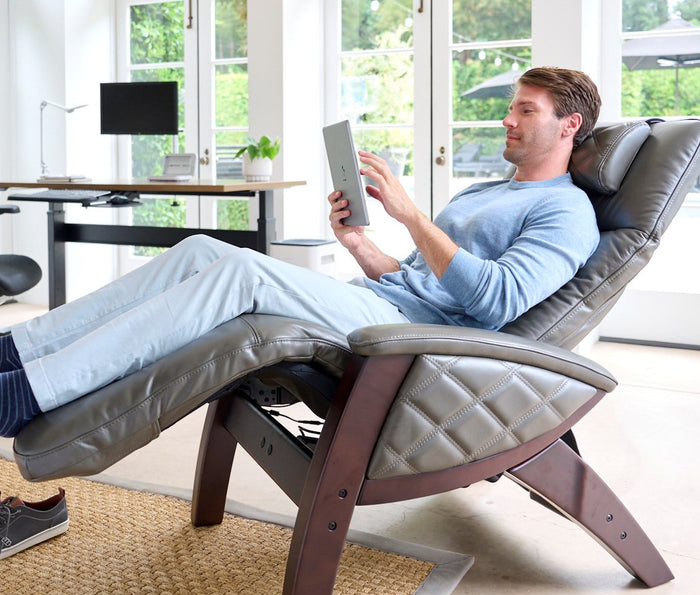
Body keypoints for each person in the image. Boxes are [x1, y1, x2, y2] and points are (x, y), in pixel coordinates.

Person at [0, 66, 602, 438]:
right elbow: (417, 276)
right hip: (378, 305)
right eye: (512, 107)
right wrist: (361, 245)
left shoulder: (566, 212)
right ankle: (18, 349)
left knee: (238, 271)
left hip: (413, 340)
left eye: (526, 111)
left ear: (569, 125)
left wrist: (412, 216)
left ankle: (30, 394)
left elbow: (495, 303)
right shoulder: (486, 191)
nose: (508, 120)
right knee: (200, 248)